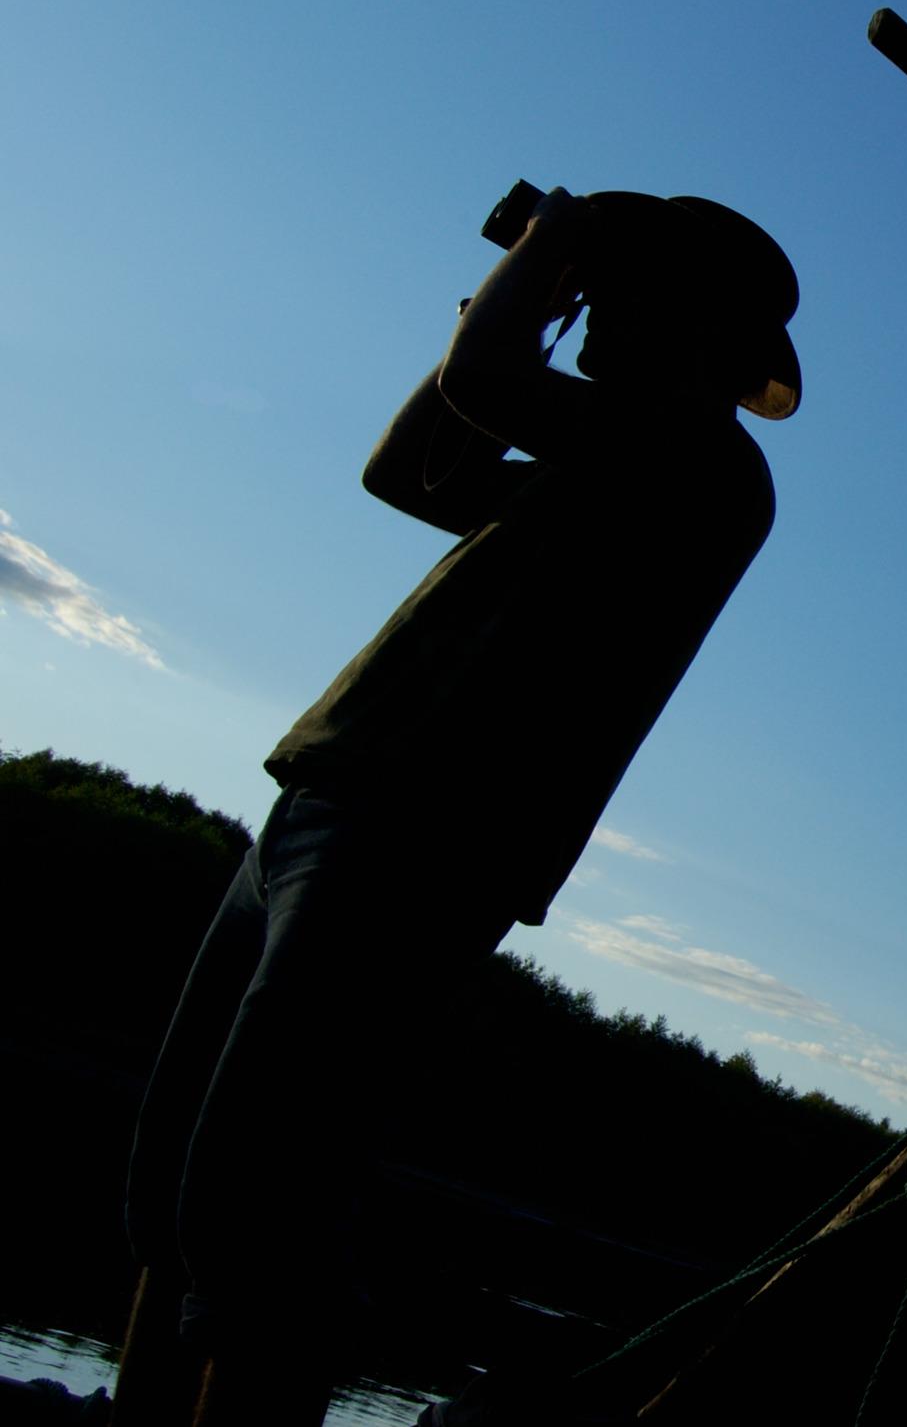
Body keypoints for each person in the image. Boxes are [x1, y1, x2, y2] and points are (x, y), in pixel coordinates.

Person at [112, 187, 802, 1426]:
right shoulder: (591, 462)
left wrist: (536, 262)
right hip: (323, 810)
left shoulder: (705, 467)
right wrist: (518, 307)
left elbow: (480, 378)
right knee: (181, 1195)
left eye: (619, 292)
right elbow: (404, 467)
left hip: (417, 846)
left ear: (685, 321)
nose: (595, 318)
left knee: (256, 1214)